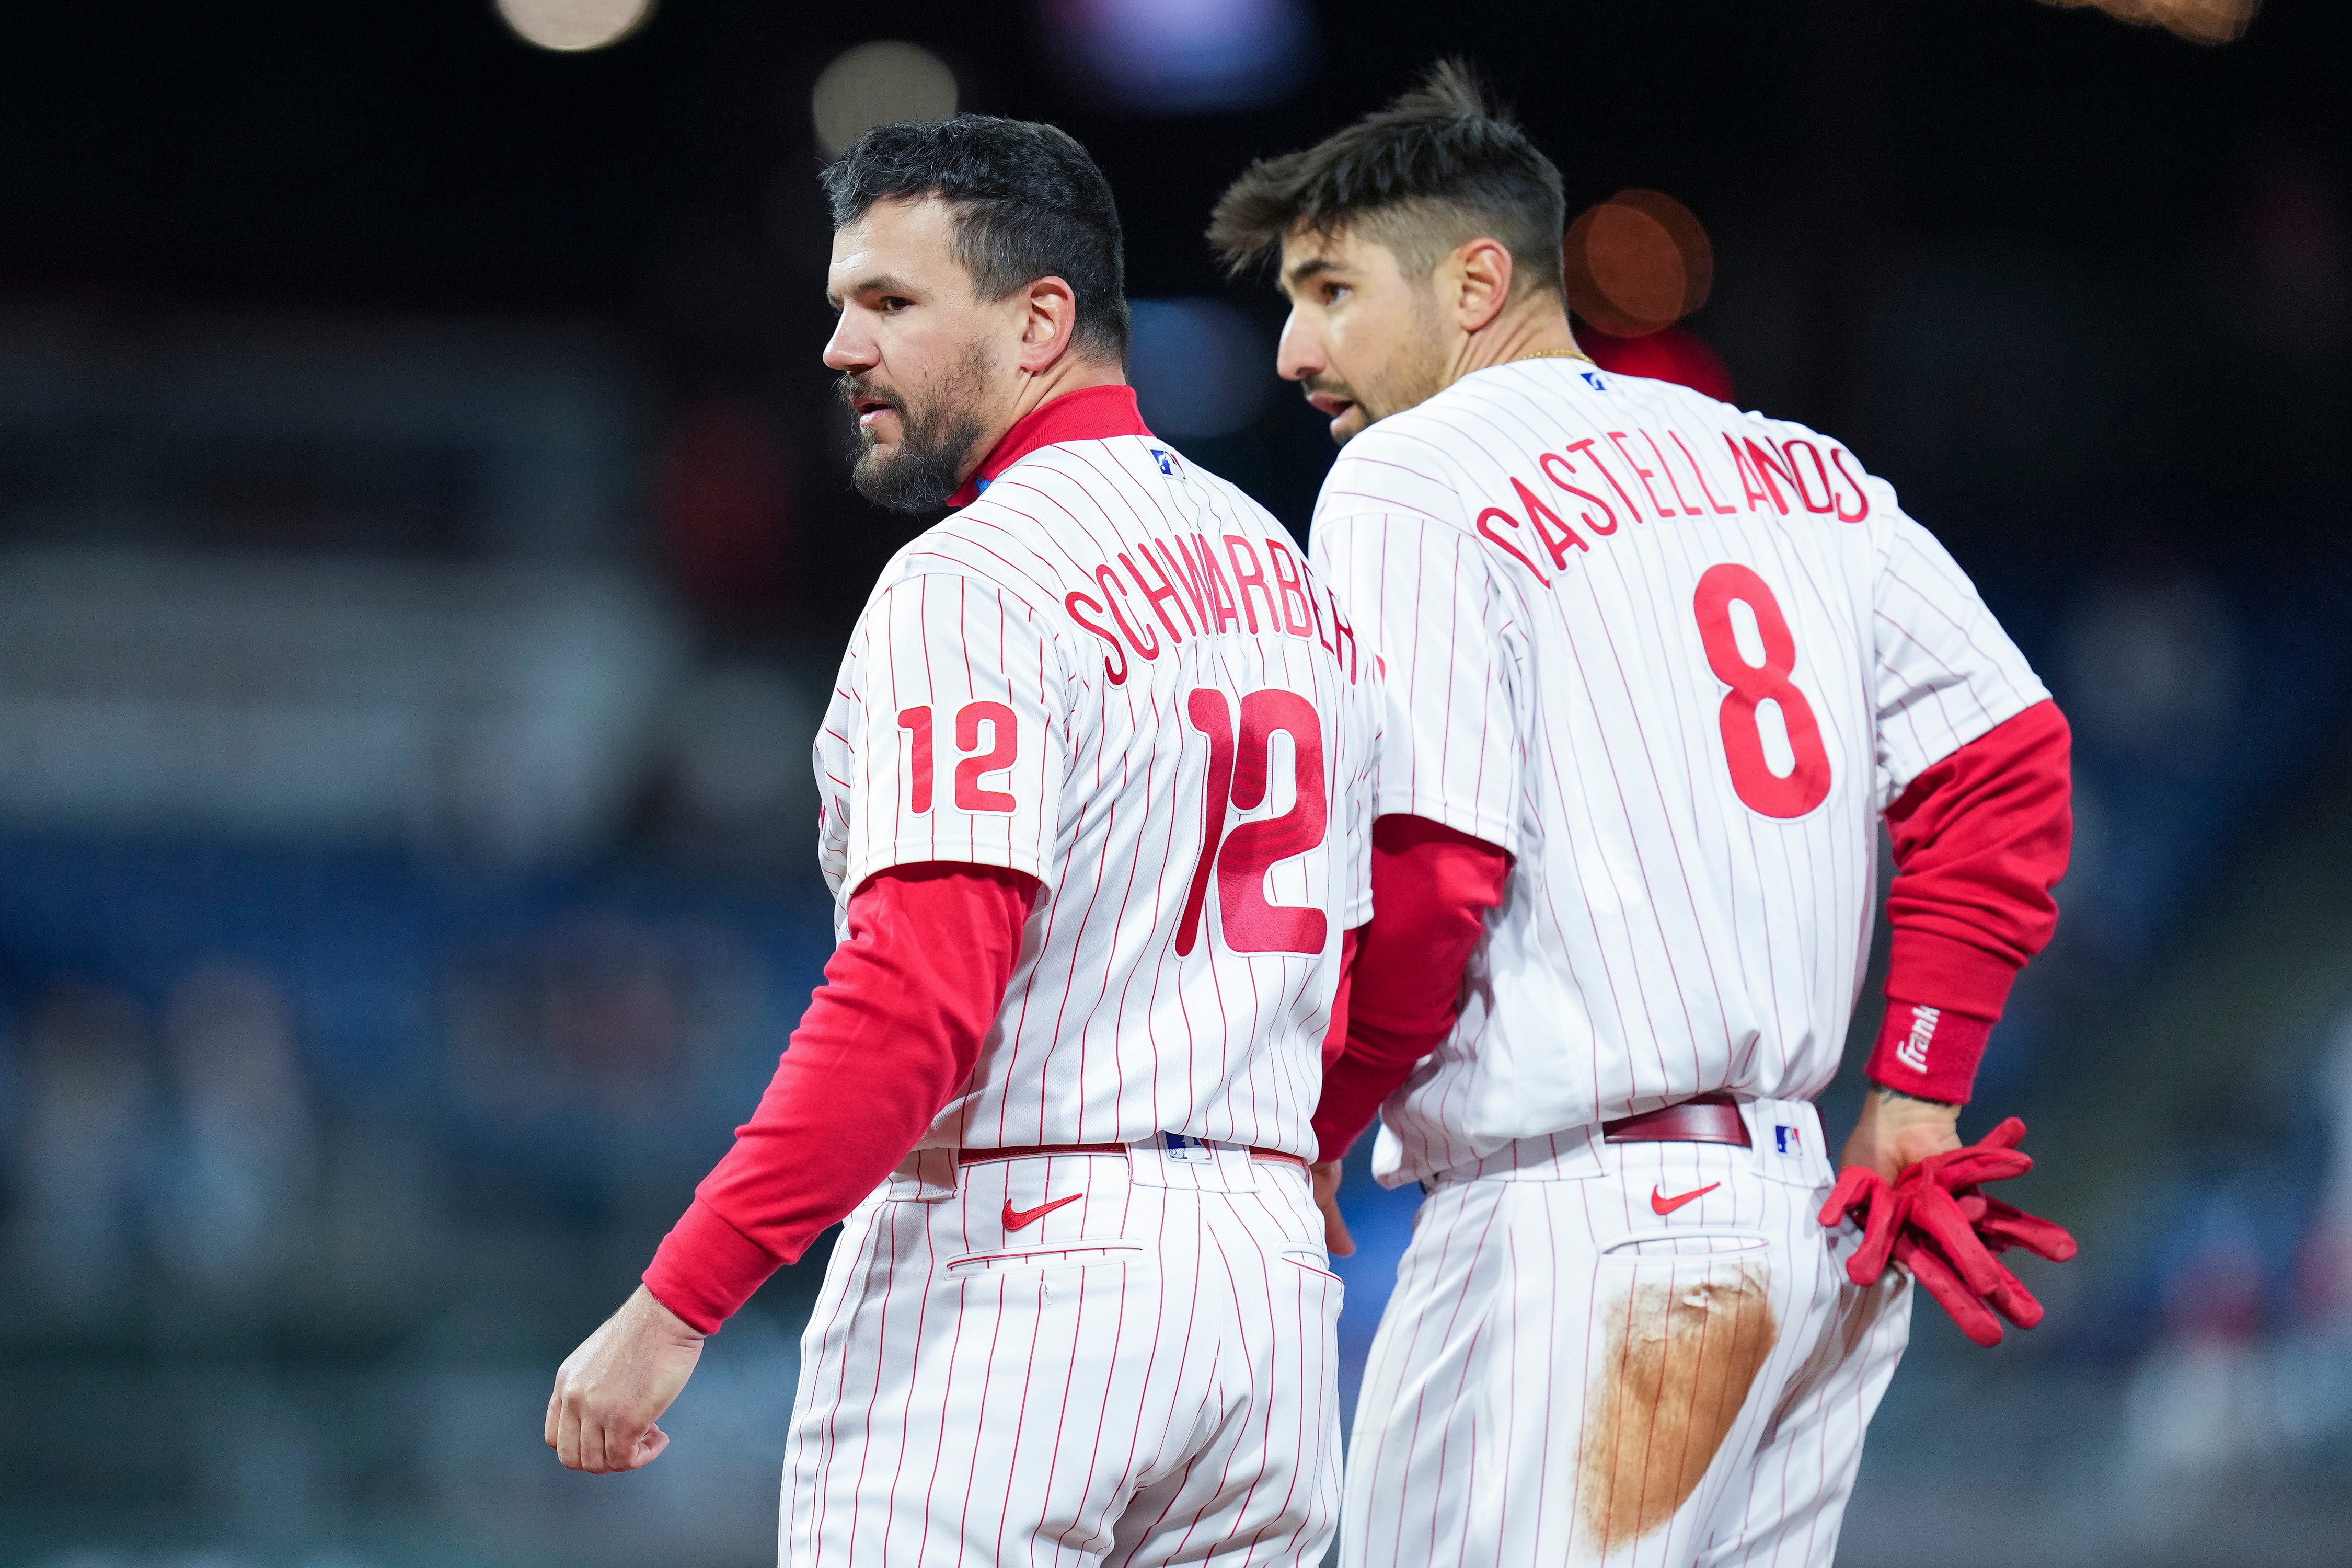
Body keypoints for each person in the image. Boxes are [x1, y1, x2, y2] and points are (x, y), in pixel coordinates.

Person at [1209, 63, 2073, 1568]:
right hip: (1804, 1233)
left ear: (1476, 282)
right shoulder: (1797, 467)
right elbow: (2001, 758)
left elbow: (1429, 872)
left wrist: (1307, 1132)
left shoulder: (1413, 476)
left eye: (1331, 290)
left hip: (1578, 1237)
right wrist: (1918, 1084)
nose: (1293, 349)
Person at [547, 113, 1381, 1568]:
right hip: (1262, 1280)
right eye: (837, 306)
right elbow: (1364, 936)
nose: (839, 349)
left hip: (1023, 1261)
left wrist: (671, 1306)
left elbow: (913, 1001)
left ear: (1040, 320)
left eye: (889, 302)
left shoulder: (976, 577)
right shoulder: (1281, 567)